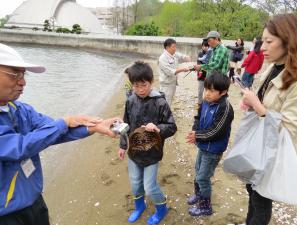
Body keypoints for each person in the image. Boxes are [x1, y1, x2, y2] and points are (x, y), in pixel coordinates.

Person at [0, 43, 118, 225]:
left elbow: (54, 132)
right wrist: (63, 122)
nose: (23, 82)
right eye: (15, 74)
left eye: (24, 75)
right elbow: (19, 147)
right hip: (7, 214)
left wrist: (93, 127)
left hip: (34, 200)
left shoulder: (20, 108)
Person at [241, 14, 297, 225]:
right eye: (261, 41)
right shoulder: (273, 66)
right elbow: (266, 98)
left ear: (287, 40)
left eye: (268, 41)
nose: (261, 47)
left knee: (261, 198)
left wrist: (257, 106)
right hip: (261, 144)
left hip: (274, 152)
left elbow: (290, 129)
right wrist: (251, 100)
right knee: (252, 189)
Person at [118, 61, 177, 224]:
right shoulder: (130, 100)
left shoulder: (160, 102)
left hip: (152, 153)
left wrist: (157, 128)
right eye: (136, 86)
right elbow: (125, 124)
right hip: (134, 152)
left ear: (151, 82)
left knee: (150, 187)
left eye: (143, 85)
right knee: (136, 184)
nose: (140, 89)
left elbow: (172, 127)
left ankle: (162, 208)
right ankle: (139, 206)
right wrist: (123, 145)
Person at [186, 71, 234, 217]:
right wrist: (195, 130)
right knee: (197, 169)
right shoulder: (207, 101)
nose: (206, 93)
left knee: (203, 177)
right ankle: (198, 195)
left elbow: (216, 131)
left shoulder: (225, 108)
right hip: (203, 145)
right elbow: (198, 117)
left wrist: (197, 136)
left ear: (223, 91)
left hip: (213, 150)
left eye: (212, 91)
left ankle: (205, 206)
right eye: (206, 89)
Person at [158, 38, 191, 105]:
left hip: (172, 83)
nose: (175, 48)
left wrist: (186, 57)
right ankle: (165, 115)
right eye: (173, 47)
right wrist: (182, 69)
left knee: (170, 100)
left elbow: (180, 55)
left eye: (176, 46)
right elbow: (170, 72)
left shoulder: (173, 53)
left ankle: (168, 114)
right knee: (166, 102)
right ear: (167, 47)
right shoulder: (163, 58)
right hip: (166, 85)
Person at [196, 40, 213, 104]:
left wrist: (203, 66)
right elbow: (198, 63)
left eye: (206, 46)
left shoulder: (211, 54)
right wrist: (200, 68)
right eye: (203, 46)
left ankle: (207, 102)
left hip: (209, 76)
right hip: (201, 75)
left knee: (208, 91)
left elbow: (211, 64)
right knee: (200, 91)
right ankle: (199, 103)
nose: (204, 47)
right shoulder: (200, 53)